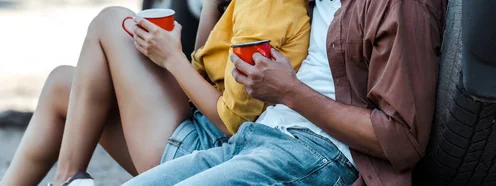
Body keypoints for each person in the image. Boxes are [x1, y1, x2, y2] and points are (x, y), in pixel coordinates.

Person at [125, 0, 447, 185]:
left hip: (320, 154)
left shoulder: (401, 6)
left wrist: (289, 91)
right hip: (256, 138)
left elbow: (402, 138)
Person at [0, 0, 311, 185]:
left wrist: (171, 59)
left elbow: (233, 124)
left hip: (206, 151)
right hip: (197, 124)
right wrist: (211, 7)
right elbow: (202, 67)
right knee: (62, 84)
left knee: (110, 22)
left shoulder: (267, 8)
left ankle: (68, 178)